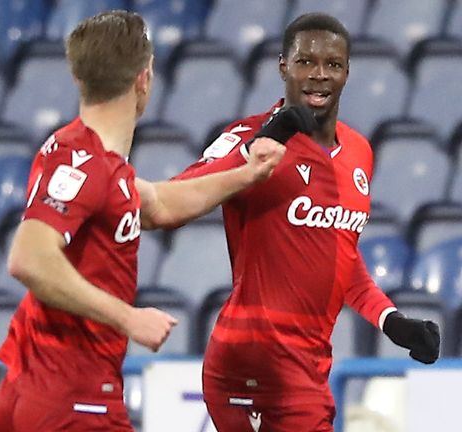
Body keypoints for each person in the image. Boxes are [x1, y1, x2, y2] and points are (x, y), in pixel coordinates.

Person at [0, 10, 314, 431]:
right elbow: (29, 258)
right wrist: (128, 317)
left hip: (33, 388)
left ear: (78, 78)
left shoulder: (84, 154)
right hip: (73, 399)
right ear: (145, 78)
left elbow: (158, 203)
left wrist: (247, 174)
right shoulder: (85, 163)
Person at [173, 13, 441, 431]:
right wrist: (260, 144)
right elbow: (179, 193)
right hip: (254, 360)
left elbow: (340, 257)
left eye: (332, 65)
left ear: (348, 72)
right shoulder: (251, 135)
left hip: (306, 365)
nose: (319, 76)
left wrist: (391, 321)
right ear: (283, 66)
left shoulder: (359, 153)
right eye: (305, 62)